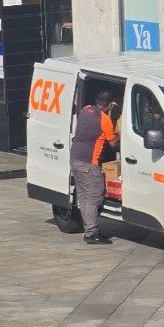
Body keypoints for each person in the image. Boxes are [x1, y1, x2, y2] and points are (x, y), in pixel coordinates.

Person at [69, 89, 120, 245]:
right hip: (89, 164)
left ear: (97, 100)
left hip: (75, 159)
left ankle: (89, 229)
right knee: (94, 197)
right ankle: (91, 233)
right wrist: (120, 131)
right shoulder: (105, 119)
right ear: (109, 105)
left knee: (83, 197)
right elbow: (113, 143)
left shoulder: (85, 109)